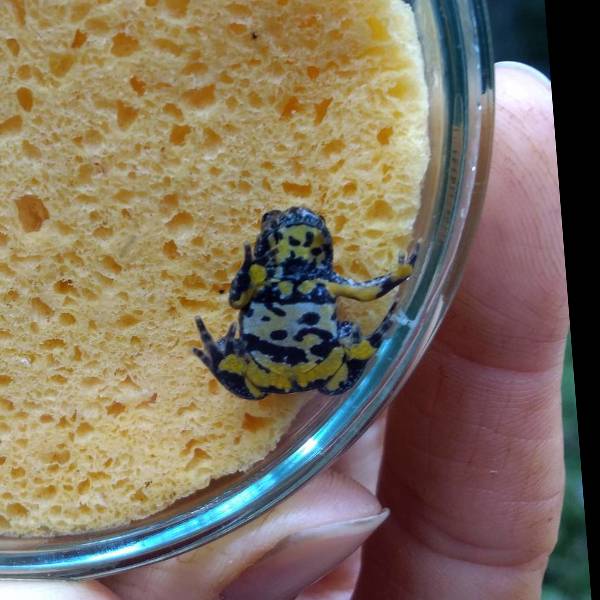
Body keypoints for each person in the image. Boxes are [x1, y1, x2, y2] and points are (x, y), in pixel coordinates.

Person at [1, 62, 566, 600]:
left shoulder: (277, 278)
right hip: (301, 360)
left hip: (274, 363)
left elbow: (250, 298)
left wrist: (388, 281)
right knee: (344, 360)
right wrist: (396, 280)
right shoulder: (317, 280)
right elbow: (363, 293)